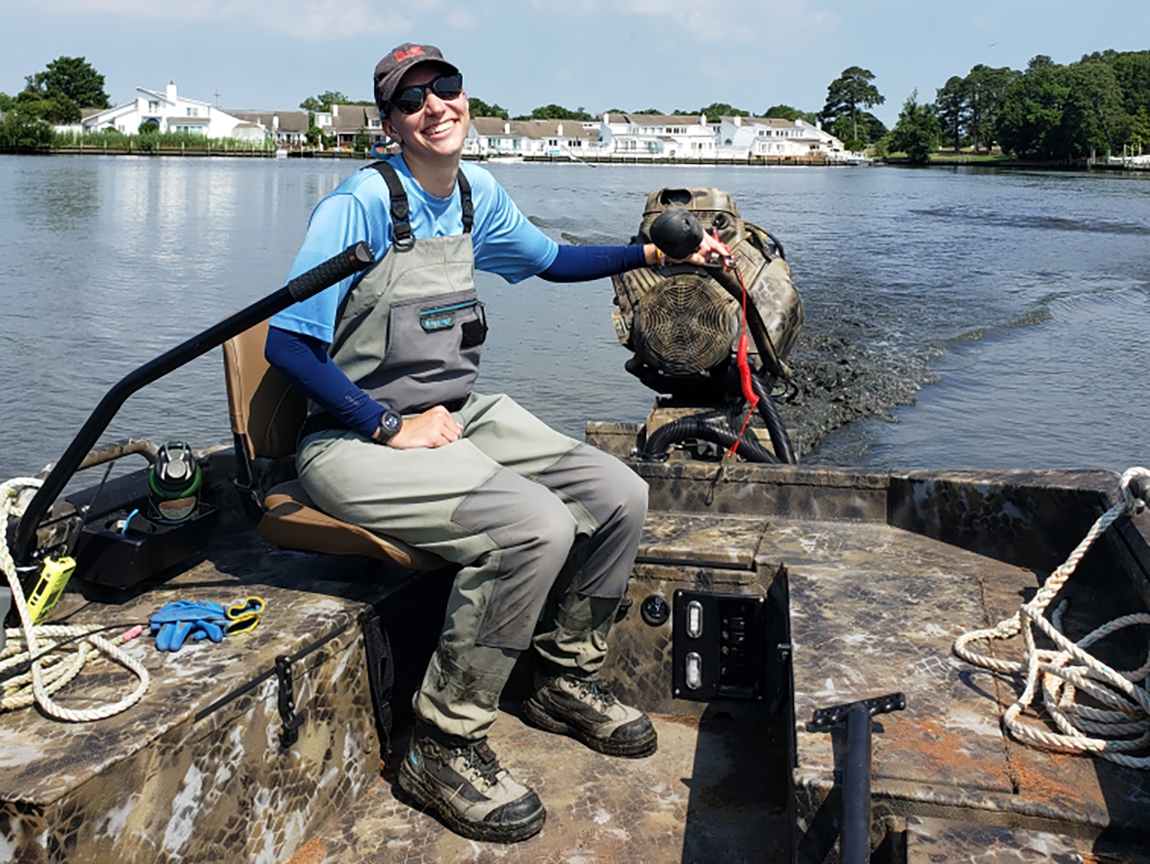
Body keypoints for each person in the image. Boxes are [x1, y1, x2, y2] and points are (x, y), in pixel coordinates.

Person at [265, 42, 729, 844]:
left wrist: (657, 253)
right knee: (533, 527)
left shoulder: (476, 193)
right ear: (389, 125)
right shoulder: (359, 206)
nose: (435, 106)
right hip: (351, 439)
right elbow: (289, 346)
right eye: (413, 100)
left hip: (454, 412)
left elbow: (553, 262)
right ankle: (442, 744)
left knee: (620, 493)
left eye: (445, 87)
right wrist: (386, 425)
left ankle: (562, 675)